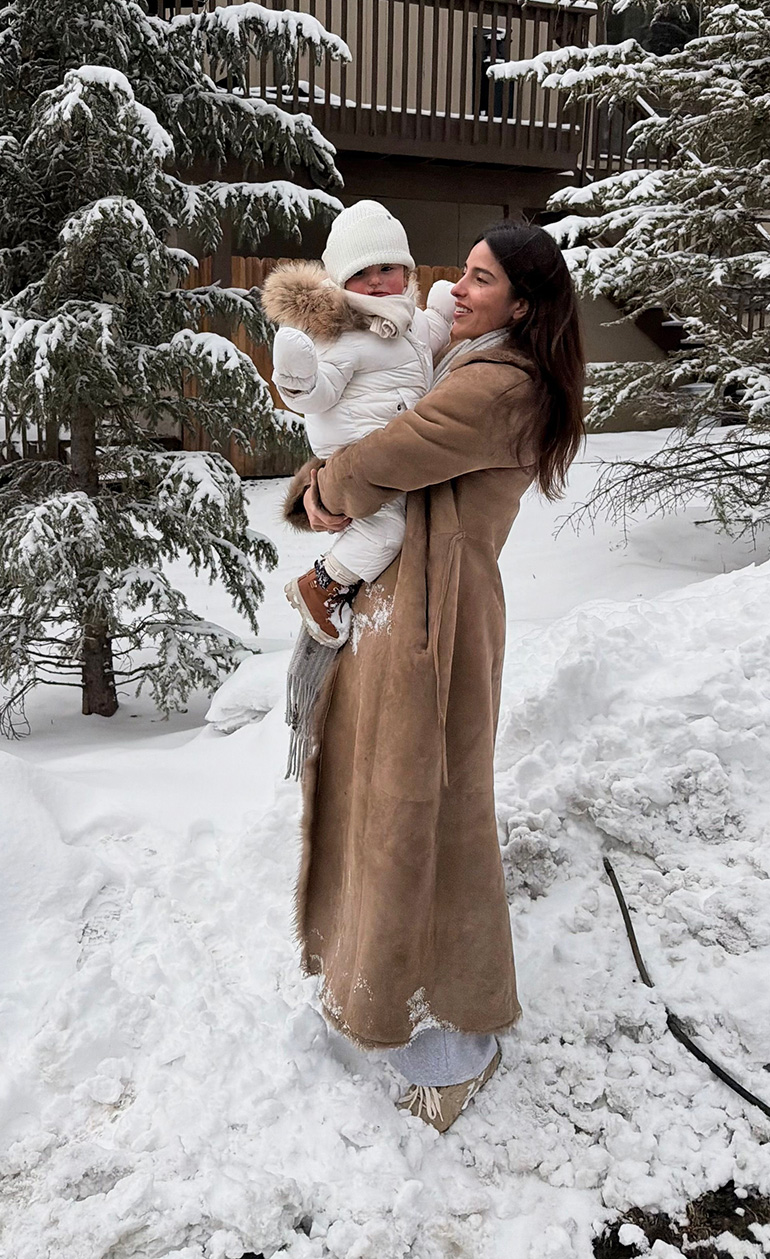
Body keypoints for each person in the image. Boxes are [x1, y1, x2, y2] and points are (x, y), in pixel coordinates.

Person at [281, 222, 586, 1132]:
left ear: (521, 306)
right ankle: (375, 984)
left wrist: (320, 491)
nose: (461, 284)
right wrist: (326, 486)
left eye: (483, 279)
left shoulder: (503, 384)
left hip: (439, 621)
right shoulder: (462, 357)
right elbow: (373, 426)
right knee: (388, 808)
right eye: (466, 269)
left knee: (436, 817)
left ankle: (457, 1038)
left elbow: (390, 455)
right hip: (404, 605)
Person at [262, 200, 454, 648]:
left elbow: (433, 337)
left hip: (391, 453)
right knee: (385, 530)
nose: (376, 281)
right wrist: (297, 379)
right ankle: (322, 586)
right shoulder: (342, 334)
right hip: (358, 454)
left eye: (387, 268)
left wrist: (445, 314)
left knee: (390, 525)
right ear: (341, 281)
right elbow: (321, 392)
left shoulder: (409, 320)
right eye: (361, 273)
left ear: (406, 271)